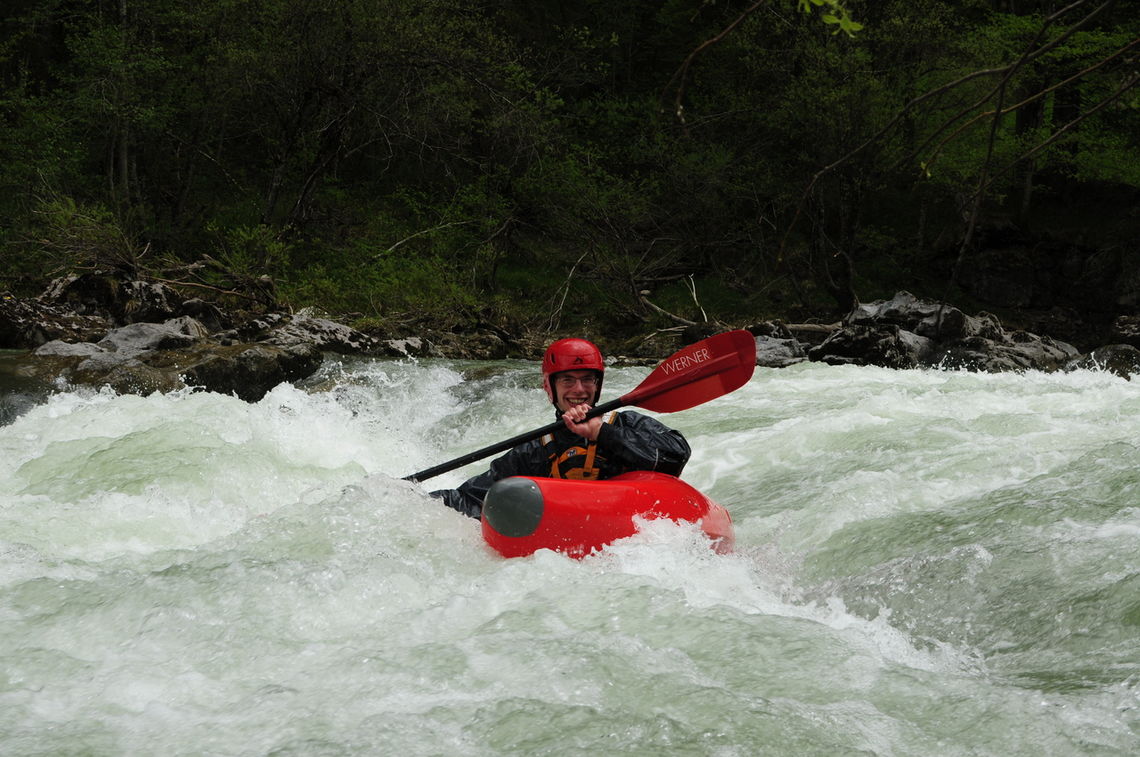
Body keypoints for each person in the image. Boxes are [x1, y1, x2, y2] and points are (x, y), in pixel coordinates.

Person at [431, 337, 692, 519]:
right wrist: (409, 501)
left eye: (587, 379)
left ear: (598, 386)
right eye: (567, 380)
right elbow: (472, 499)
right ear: (549, 388)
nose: (579, 390)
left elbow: (676, 456)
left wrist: (601, 433)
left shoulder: (627, 423)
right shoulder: (535, 450)